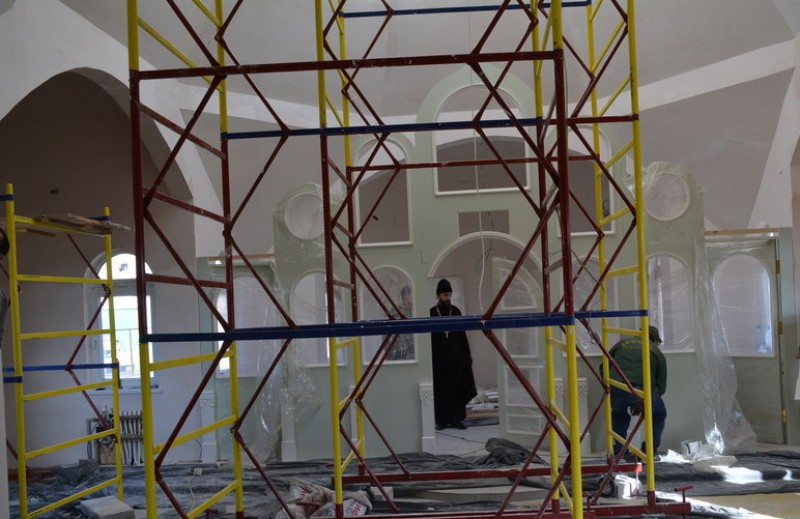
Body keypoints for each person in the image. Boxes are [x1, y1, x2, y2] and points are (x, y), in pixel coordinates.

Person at [608, 325, 667, 458]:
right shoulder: (656, 351)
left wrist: (611, 388)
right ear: (655, 339)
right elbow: (661, 386)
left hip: (616, 386)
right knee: (658, 415)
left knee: (619, 415)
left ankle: (620, 452)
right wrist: (643, 402)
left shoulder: (620, 345)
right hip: (641, 390)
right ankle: (649, 451)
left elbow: (604, 366)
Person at [429, 279, 477, 430]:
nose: (448, 298)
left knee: (457, 390)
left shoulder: (456, 311)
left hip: (456, 359)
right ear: (438, 296)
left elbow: (462, 336)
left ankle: (457, 420)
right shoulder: (431, 313)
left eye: (449, 295)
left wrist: (467, 356)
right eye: (445, 295)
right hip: (439, 361)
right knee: (441, 391)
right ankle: (442, 421)